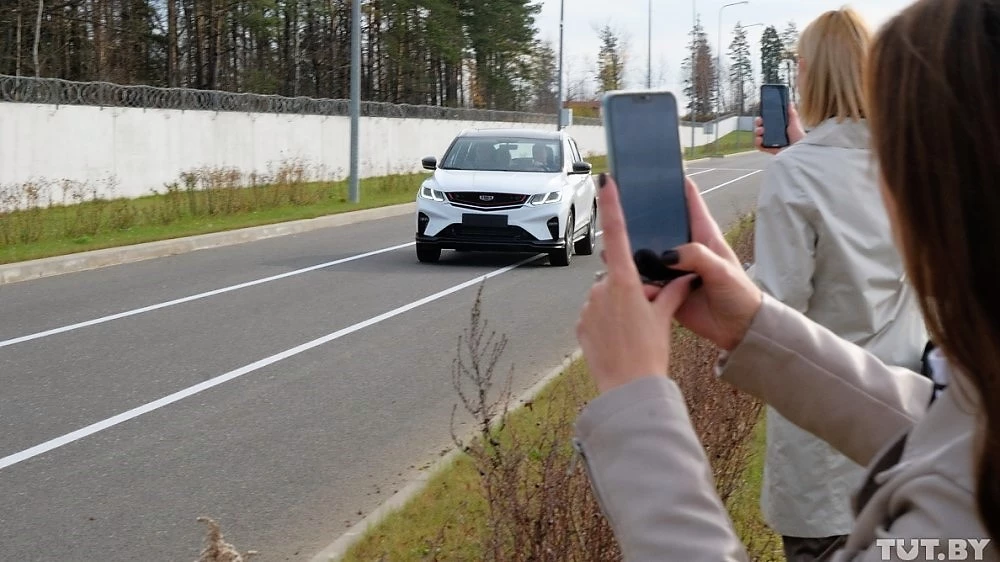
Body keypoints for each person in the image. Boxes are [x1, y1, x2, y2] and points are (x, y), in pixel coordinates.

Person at [573, 0, 1000, 560]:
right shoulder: (976, 407)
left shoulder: (953, 525)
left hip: (820, 474)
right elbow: (951, 437)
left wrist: (636, 405)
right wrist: (753, 323)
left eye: (906, 150)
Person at [750, 8, 927, 560]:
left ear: (807, 72)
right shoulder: (918, 165)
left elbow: (773, 315)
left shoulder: (796, 174)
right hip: (916, 436)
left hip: (826, 454)